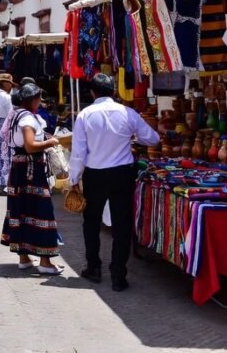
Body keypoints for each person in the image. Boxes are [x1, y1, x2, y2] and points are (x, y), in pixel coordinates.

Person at [69, 73, 160, 291]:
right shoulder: (128, 113)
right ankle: (118, 275)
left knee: (91, 222)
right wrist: (132, 137)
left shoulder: (85, 115)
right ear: (114, 91)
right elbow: (153, 138)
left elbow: (79, 152)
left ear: (92, 92)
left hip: (95, 174)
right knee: (122, 225)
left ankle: (94, 267)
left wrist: (74, 179)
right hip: (122, 174)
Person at [0, 83, 63, 275]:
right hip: (30, 168)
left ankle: (24, 257)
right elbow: (29, 145)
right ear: (33, 100)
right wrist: (50, 142)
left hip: (20, 168)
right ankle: (45, 261)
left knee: (22, 209)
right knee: (41, 210)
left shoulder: (18, 115)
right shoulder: (27, 118)